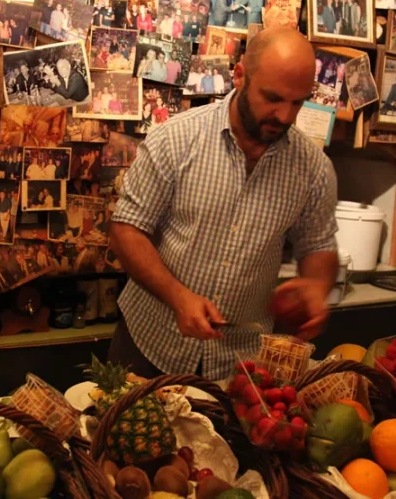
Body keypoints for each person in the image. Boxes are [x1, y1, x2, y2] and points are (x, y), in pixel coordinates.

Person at [107, 27, 338, 379]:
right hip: (152, 342)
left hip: (240, 361)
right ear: (241, 76)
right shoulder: (176, 139)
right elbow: (126, 231)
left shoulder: (314, 168)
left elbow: (319, 245)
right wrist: (177, 296)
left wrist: (316, 290)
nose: (285, 116)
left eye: (297, 102)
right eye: (273, 98)